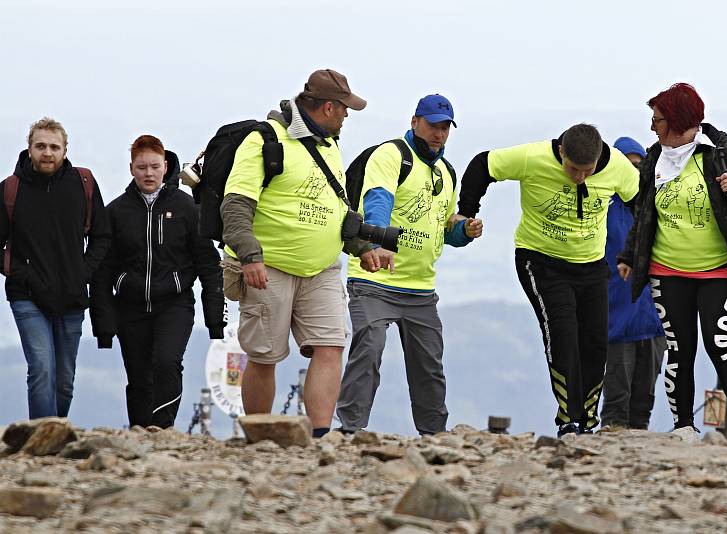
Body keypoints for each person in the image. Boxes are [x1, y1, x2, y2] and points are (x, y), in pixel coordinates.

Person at [457, 124, 639, 437]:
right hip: (540, 262)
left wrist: (634, 252)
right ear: (561, 153)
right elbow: (482, 165)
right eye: (572, 169)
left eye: (587, 171)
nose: (579, 177)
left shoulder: (619, 167)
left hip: (592, 265)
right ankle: (569, 421)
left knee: (596, 345)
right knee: (563, 336)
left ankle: (588, 421)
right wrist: (466, 212)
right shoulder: (533, 157)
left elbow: (643, 204)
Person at [220, 69, 369, 438]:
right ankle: (260, 436)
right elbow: (236, 205)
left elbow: (336, 209)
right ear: (329, 108)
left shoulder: (329, 144)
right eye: (345, 109)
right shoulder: (265, 141)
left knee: (331, 345)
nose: (348, 116)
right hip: (269, 266)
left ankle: (318, 438)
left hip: (321, 269)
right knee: (264, 356)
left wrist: (364, 248)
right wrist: (250, 256)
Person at [618, 83, 727, 439]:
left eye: (658, 120)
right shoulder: (655, 158)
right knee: (679, 349)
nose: (652, 127)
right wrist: (629, 255)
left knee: (719, 340)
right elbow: (643, 212)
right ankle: (683, 425)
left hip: (722, 269)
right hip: (667, 270)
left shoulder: (720, 152)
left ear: (678, 120)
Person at [336, 94, 483, 435]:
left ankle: (434, 436)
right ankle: (349, 432)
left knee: (429, 366)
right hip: (374, 280)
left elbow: (444, 230)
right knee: (369, 349)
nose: (439, 134)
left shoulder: (446, 171)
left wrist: (465, 230)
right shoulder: (391, 155)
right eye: (433, 125)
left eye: (445, 128)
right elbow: (377, 200)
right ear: (415, 121)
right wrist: (380, 243)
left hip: (420, 288)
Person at [90, 135, 225, 429]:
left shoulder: (187, 208)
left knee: (166, 363)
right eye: (141, 167)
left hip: (174, 304)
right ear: (131, 169)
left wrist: (216, 321)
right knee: (138, 376)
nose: (148, 173)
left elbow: (209, 265)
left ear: (165, 167)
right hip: (130, 307)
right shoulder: (115, 212)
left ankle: (162, 429)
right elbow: (102, 272)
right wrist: (104, 327)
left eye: (154, 166)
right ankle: (139, 434)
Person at [0, 117, 111, 419]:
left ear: (65, 150)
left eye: (53, 147)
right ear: (29, 149)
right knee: (41, 368)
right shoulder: (10, 190)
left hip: (72, 296)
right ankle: (41, 444)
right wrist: (19, 273)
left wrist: (83, 272)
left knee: (64, 381)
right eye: (40, 146)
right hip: (26, 296)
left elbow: (102, 236)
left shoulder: (83, 183)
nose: (47, 153)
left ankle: (55, 434)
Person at [600, 137, 666, 429]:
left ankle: (638, 450)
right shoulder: (602, 205)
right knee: (616, 398)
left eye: (638, 166)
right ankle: (611, 451)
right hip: (616, 315)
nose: (633, 172)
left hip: (653, 318)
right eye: (626, 165)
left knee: (644, 398)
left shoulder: (655, 205)